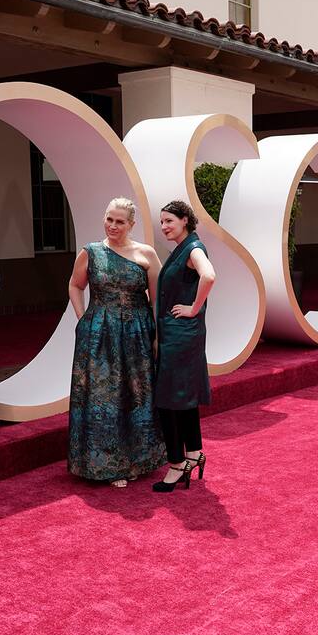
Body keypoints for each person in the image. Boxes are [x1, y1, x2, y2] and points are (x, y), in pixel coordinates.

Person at [67, 198, 166, 487]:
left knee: (136, 394)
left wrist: (158, 336)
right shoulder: (91, 252)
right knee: (103, 398)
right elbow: (75, 285)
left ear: (131, 224)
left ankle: (137, 460)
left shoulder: (146, 254)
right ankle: (107, 466)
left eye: (119, 221)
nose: (112, 226)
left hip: (137, 333)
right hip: (99, 334)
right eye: (109, 219)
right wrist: (82, 318)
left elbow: (158, 300)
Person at [152, 200, 216, 493]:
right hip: (180, 335)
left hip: (181, 336)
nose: (164, 227)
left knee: (168, 400)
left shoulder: (193, 248)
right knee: (183, 397)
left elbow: (209, 275)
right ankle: (194, 454)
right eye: (162, 222)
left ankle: (177, 464)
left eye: (169, 221)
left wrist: (193, 307)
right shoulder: (184, 247)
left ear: (185, 221)